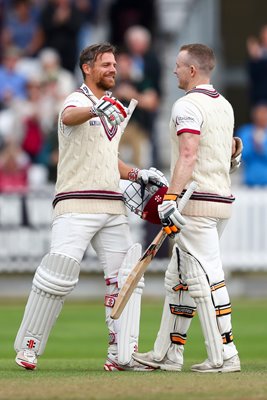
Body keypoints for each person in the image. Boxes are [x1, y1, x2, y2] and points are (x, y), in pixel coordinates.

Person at [14, 42, 167, 372]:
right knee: (58, 275)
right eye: (106, 64)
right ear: (87, 68)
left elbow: (108, 159)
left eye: (115, 64)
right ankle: (29, 346)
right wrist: (96, 110)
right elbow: (68, 118)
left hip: (112, 205)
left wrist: (138, 173)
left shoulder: (109, 107)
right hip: (76, 203)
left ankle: (121, 354)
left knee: (125, 279)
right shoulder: (78, 99)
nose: (113, 69)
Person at [133, 43, 241, 373]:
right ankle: (168, 354)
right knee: (177, 279)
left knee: (204, 277)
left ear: (192, 71)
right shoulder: (224, 105)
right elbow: (231, 157)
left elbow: (189, 155)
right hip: (220, 197)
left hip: (195, 203)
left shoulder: (186, 105)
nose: (174, 71)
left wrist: (170, 197)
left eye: (178, 65)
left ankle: (224, 355)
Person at [235, 102, 267, 186]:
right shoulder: (246, 131)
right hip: (249, 182)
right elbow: (239, 155)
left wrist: (261, 148)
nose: (262, 117)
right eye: (259, 114)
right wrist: (253, 145)